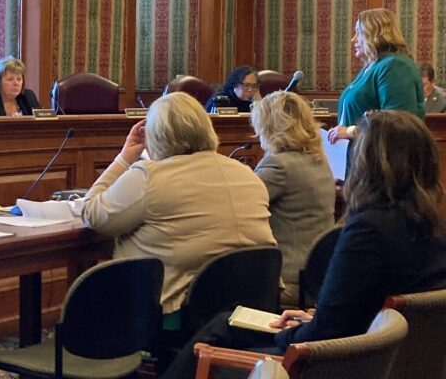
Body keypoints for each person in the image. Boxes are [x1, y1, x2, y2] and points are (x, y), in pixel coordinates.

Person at [162, 110, 446, 379]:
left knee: (221, 330)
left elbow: (324, 336)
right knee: (228, 323)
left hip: (330, 364)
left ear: (367, 162)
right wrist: (313, 318)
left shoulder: (368, 230)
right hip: (385, 359)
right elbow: (361, 311)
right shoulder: (434, 227)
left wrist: (290, 332)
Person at [82, 92, 275, 320]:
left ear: (155, 136)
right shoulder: (247, 174)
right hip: (254, 307)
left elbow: (92, 214)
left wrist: (123, 158)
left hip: (178, 313)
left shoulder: (150, 177)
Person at [250, 91, 335, 306]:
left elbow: (239, 205)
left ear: (269, 126)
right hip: (319, 276)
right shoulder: (319, 160)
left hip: (289, 283)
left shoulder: (279, 165)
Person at [327, 8, 424, 145]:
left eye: (359, 32)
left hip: (383, 156)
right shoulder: (371, 67)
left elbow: (399, 124)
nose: (353, 39)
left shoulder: (395, 66)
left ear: (375, 35)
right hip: (361, 154)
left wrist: (351, 131)